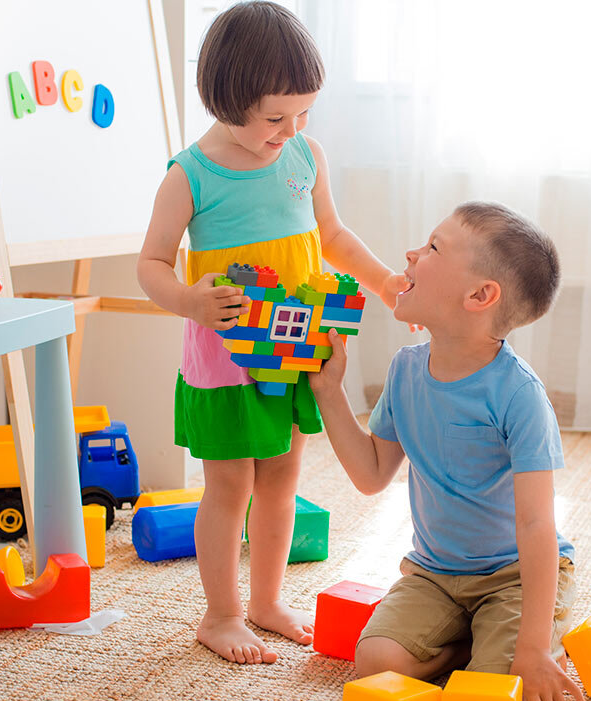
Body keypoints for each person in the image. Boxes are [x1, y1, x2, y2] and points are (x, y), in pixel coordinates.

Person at [137, 1, 404, 665]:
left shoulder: (303, 156)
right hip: (225, 360)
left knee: (282, 478)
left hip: (293, 348)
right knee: (228, 484)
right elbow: (149, 263)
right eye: (274, 117)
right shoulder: (189, 173)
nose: (290, 130)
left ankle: (265, 600)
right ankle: (221, 613)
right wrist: (188, 301)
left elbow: (333, 237)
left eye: (303, 114)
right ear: (226, 98)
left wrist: (385, 282)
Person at [309, 201, 586, 701]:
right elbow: (371, 476)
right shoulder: (406, 370)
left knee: (496, 697)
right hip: (435, 573)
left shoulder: (520, 396)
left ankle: (526, 639)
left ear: (480, 296)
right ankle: (466, 641)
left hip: (515, 578)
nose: (411, 254)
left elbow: (536, 526)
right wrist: (330, 391)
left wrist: (530, 650)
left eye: (433, 247)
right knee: (373, 666)